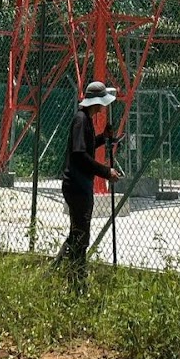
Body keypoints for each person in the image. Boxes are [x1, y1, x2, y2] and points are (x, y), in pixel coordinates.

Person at [54, 79, 122, 290]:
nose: (105, 106)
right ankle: (76, 280)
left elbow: (86, 147)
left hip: (80, 185)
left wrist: (103, 138)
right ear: (97, 102)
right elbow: (80, 154)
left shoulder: (85, 120)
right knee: (80, 236)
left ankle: (63, 273)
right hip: (77, 186)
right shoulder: (81, 120)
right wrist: (105, 171)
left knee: (78, 233)